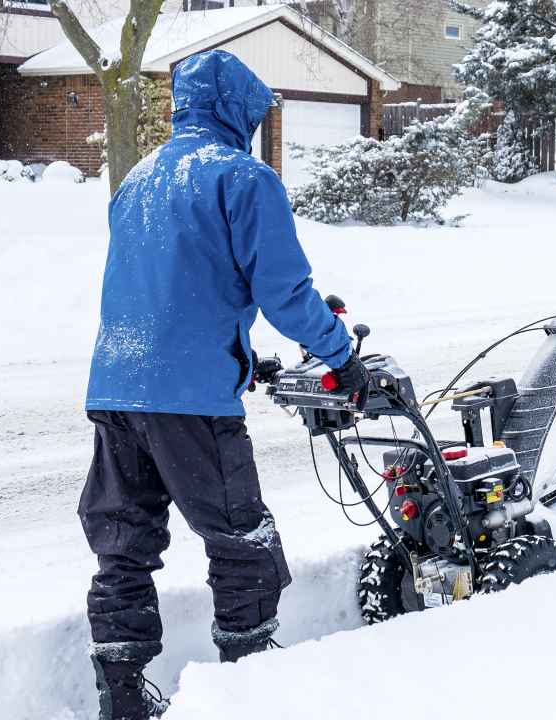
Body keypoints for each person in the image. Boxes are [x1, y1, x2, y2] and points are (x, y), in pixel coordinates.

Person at [80, 50, 365, 720]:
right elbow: (285, 292)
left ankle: (120, 695)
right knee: (244, 539)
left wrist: (241, 357)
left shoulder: (140, 178)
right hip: (190, 400)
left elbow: (170, 286)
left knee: (124, 542)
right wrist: (338, 355)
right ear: (237, 108)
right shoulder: (241, 177)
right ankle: (247, 686)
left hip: (117, 388)